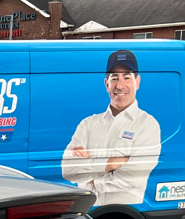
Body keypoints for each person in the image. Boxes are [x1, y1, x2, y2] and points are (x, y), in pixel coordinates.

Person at [60, 48, 162, 206]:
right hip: (87, 211)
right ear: (106, 83)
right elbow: (68, 170)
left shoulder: (147, 124)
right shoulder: (88, 124)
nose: (120, 85)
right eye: (114, 78)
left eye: (126, 77)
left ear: (137, 82)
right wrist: (108, 164)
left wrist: (92, 176)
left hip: (127, 212)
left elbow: (133, 176)